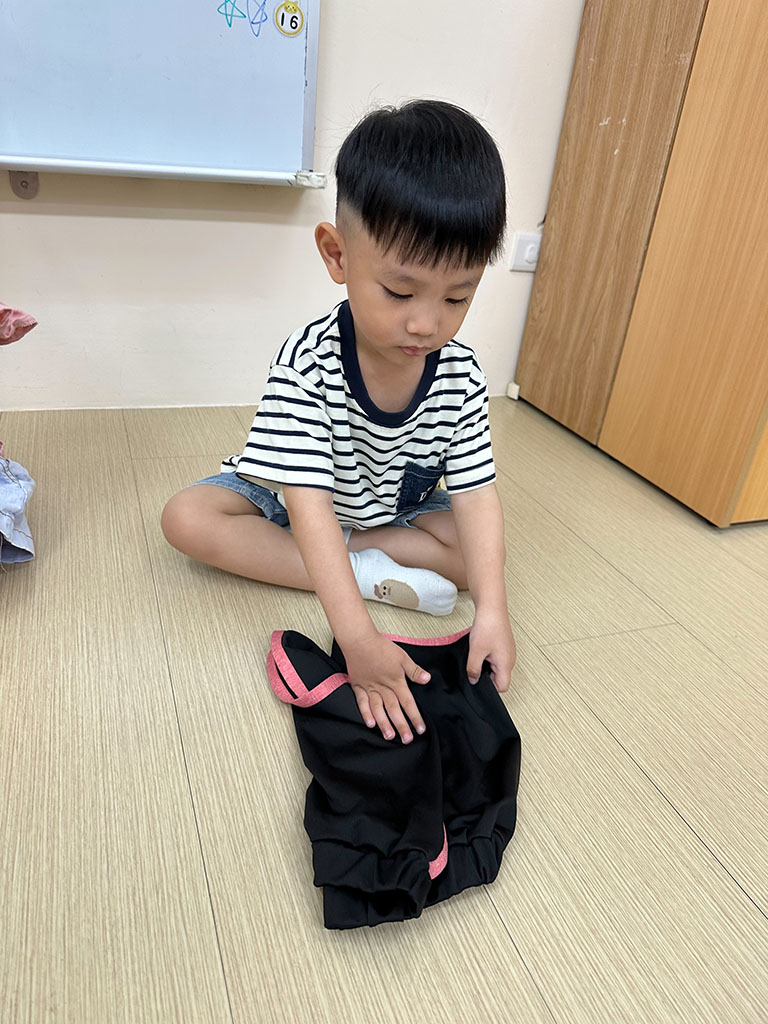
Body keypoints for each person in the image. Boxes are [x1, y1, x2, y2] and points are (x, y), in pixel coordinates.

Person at [161, 99, 516, 746]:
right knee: (186, 519)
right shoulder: (308, 365)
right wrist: (357, 636)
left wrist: (493, 611)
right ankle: (366, 574)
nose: (426, 323)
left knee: (480, 557)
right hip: (290, 505)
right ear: (337, 255)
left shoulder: (461, 374)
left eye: (458, 296)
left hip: (389, 509)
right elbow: (307, 507)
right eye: (400, 292)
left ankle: (356, 554)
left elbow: (475, 493)